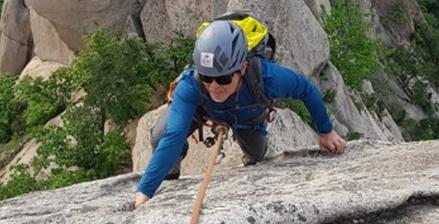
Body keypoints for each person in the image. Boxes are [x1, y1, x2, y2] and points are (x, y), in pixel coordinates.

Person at [133, 20, 346, 209]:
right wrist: (144, 192)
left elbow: (305, 90)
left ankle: (248, 153)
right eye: (207, 77)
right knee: (160, 135)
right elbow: (173, 136)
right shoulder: (191, 85)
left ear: (242, 68)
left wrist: (325, 131)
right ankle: (169, 172)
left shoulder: (267, 77)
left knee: (256, 154)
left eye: (224, 79)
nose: (214, 86)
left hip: (247, 116)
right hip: (203, 111)